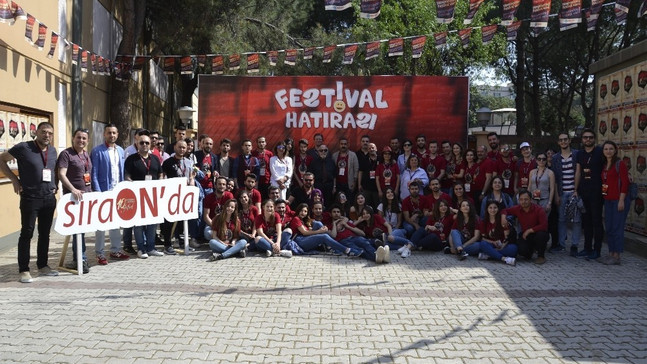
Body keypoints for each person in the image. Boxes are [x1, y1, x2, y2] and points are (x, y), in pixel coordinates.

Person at [0, 122, 59, 283]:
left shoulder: (53, 151)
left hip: (48, 199)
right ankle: (24, 270)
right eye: (44, 132)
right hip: (30, 199)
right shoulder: (23, 148)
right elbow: (2, 160)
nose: (47, 135)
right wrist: (14, 180)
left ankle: (43, 266)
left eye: (50, 133)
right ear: (37, 132)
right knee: (27, 233)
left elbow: (54, 171)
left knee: (45, 234)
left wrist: (55, 186)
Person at [90, 123, 130, 263]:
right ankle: (99, 253)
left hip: (117, 192)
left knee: (115, 222)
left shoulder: (120, 150)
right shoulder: (97, 151)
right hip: (103, 192)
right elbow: (93, 173)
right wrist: (98, 192)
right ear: (104, 134)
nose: (111, 135)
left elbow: (122, 171)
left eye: (114, 133)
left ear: (117, 134)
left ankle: (115, 250)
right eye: (109, 133)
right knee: (101, 224)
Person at [57, 128, 92, 274]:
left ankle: (80, 258)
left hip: (86, 197)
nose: (81, 141)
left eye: (84, 138)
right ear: (73, 138)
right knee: (78, 230)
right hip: (73, 199)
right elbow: (61, 174)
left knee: (82, 230)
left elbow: (88, 174)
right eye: (78, 137)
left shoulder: (85, 154)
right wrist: (73, 189)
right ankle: (80, 259)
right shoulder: (66, 154)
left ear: (87, 141)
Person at [124, 134, 164, 259]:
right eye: (142, 143)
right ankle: (141, 248)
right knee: (139, 224)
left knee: (152, 223)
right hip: (137, 196)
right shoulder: (131, 159)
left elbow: (161, 174)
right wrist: (132, 185)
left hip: (152, 197)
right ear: (137, 144)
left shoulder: (155, 158)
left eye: (147, 143)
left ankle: (151, 247)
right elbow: (127, 176)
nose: (145, 145)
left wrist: (160, 183)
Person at [161, 140, 198, 254]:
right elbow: (162, 177)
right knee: (169, 220)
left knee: (183, 220)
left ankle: (183, 243)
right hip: (171, 195)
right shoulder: (167, 162)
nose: (182, 149)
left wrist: (192, 181)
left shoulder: (189, 162)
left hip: (185, 195)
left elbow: (191, 177)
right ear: (175, 147)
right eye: (179, 147)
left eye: (184, 147)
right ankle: (167, 245)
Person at [574, 128, 604, 260]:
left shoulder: (600, 152)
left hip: (597, 192)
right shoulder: (580, 154)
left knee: (597, 221)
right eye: (585, 137)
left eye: (591, 137)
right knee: (586, 222)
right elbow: (578, 172)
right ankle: (587, 248)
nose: (588, 139)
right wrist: (575, 189)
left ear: (594, 139)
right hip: (583, 191)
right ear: (582, 140)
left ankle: (597, 250)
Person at [600, 141, 631, 265]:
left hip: (619, 200)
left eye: (611, 149)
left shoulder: (620, 164)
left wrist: (622, 200)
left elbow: (625, 183)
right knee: (609, 227)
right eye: (606, 149)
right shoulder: (604, 165)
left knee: (617, 228)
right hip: (608, 200)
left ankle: (617, 255)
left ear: (615, 150)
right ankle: (611, 253)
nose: (608, 151)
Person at [290, 203, 363, 256]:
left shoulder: (304, 220)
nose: (303, 213)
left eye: (305, 211)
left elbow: (344, 217)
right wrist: (320, 231)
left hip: (305, 239)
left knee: (317, 223)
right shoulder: (296, 219)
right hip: (299, 241)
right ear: (298, 210)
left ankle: (329, 246)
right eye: (301, 211)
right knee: (324, 236)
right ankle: (347, 250)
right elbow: (305, 233)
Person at [551, 133, 580, 256]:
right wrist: (556, 195)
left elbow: (579, 173)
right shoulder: (555, 158)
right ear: (558, 142)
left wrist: (577, 190)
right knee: (561, 219)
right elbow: (556, 178)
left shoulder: (577, 154)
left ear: (569, 140)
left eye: (565, 139)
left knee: (577, 220)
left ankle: (574, 245)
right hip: (562, 192)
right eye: (561, 140)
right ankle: (562, 244)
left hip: (574, 192)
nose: (563, 142)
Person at [502, 190, 549, 264]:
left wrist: (530, 230)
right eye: (521, 199)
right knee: (522, 250)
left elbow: (544, 225)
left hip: (537, 233)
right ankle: (530, 251)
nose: (523, 201)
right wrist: (503, 216)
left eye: (526, 199)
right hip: (526, 235)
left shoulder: (539, 209)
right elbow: (504, 210)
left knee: (541, 235)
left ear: (531, 200)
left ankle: (541, 256)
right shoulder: (518, 208)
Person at [477, 201, 517, 266]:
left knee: (514, 249)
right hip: (491, 244)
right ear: (487, 209)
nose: (493, 210)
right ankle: (504, 259)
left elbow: (507, 237)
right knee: (483, 244)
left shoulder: (502, 220)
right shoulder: (483, 222)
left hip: (503, 244)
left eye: (495, 208)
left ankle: (489, 254)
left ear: (498, 209)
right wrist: (493, 242)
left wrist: (503, 245)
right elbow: (483, 238)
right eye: (490, 208)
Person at [203, 176, 236, 241]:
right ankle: (222, 240)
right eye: (219, 184)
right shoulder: (209, 197)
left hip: (226, 223)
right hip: (213, 223)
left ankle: (219, 241)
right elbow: (206, 216)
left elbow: (232, 212)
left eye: (223, 184)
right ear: (215, 185)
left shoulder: (229, 195)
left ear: (226, 186)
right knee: (207, 233)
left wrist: (225, 226)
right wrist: (215, 226)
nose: (222, 186)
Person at [357, 142, 380, 208]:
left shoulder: (380, 159)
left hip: (377, 188)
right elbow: (360, 172)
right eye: (369, 148)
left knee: (377, 205)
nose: (371, 149)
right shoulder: (364, 159)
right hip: (366, 187)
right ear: (368, 150)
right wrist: (359, 184)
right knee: (366, 206)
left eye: (373, 147)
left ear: (376, 149)